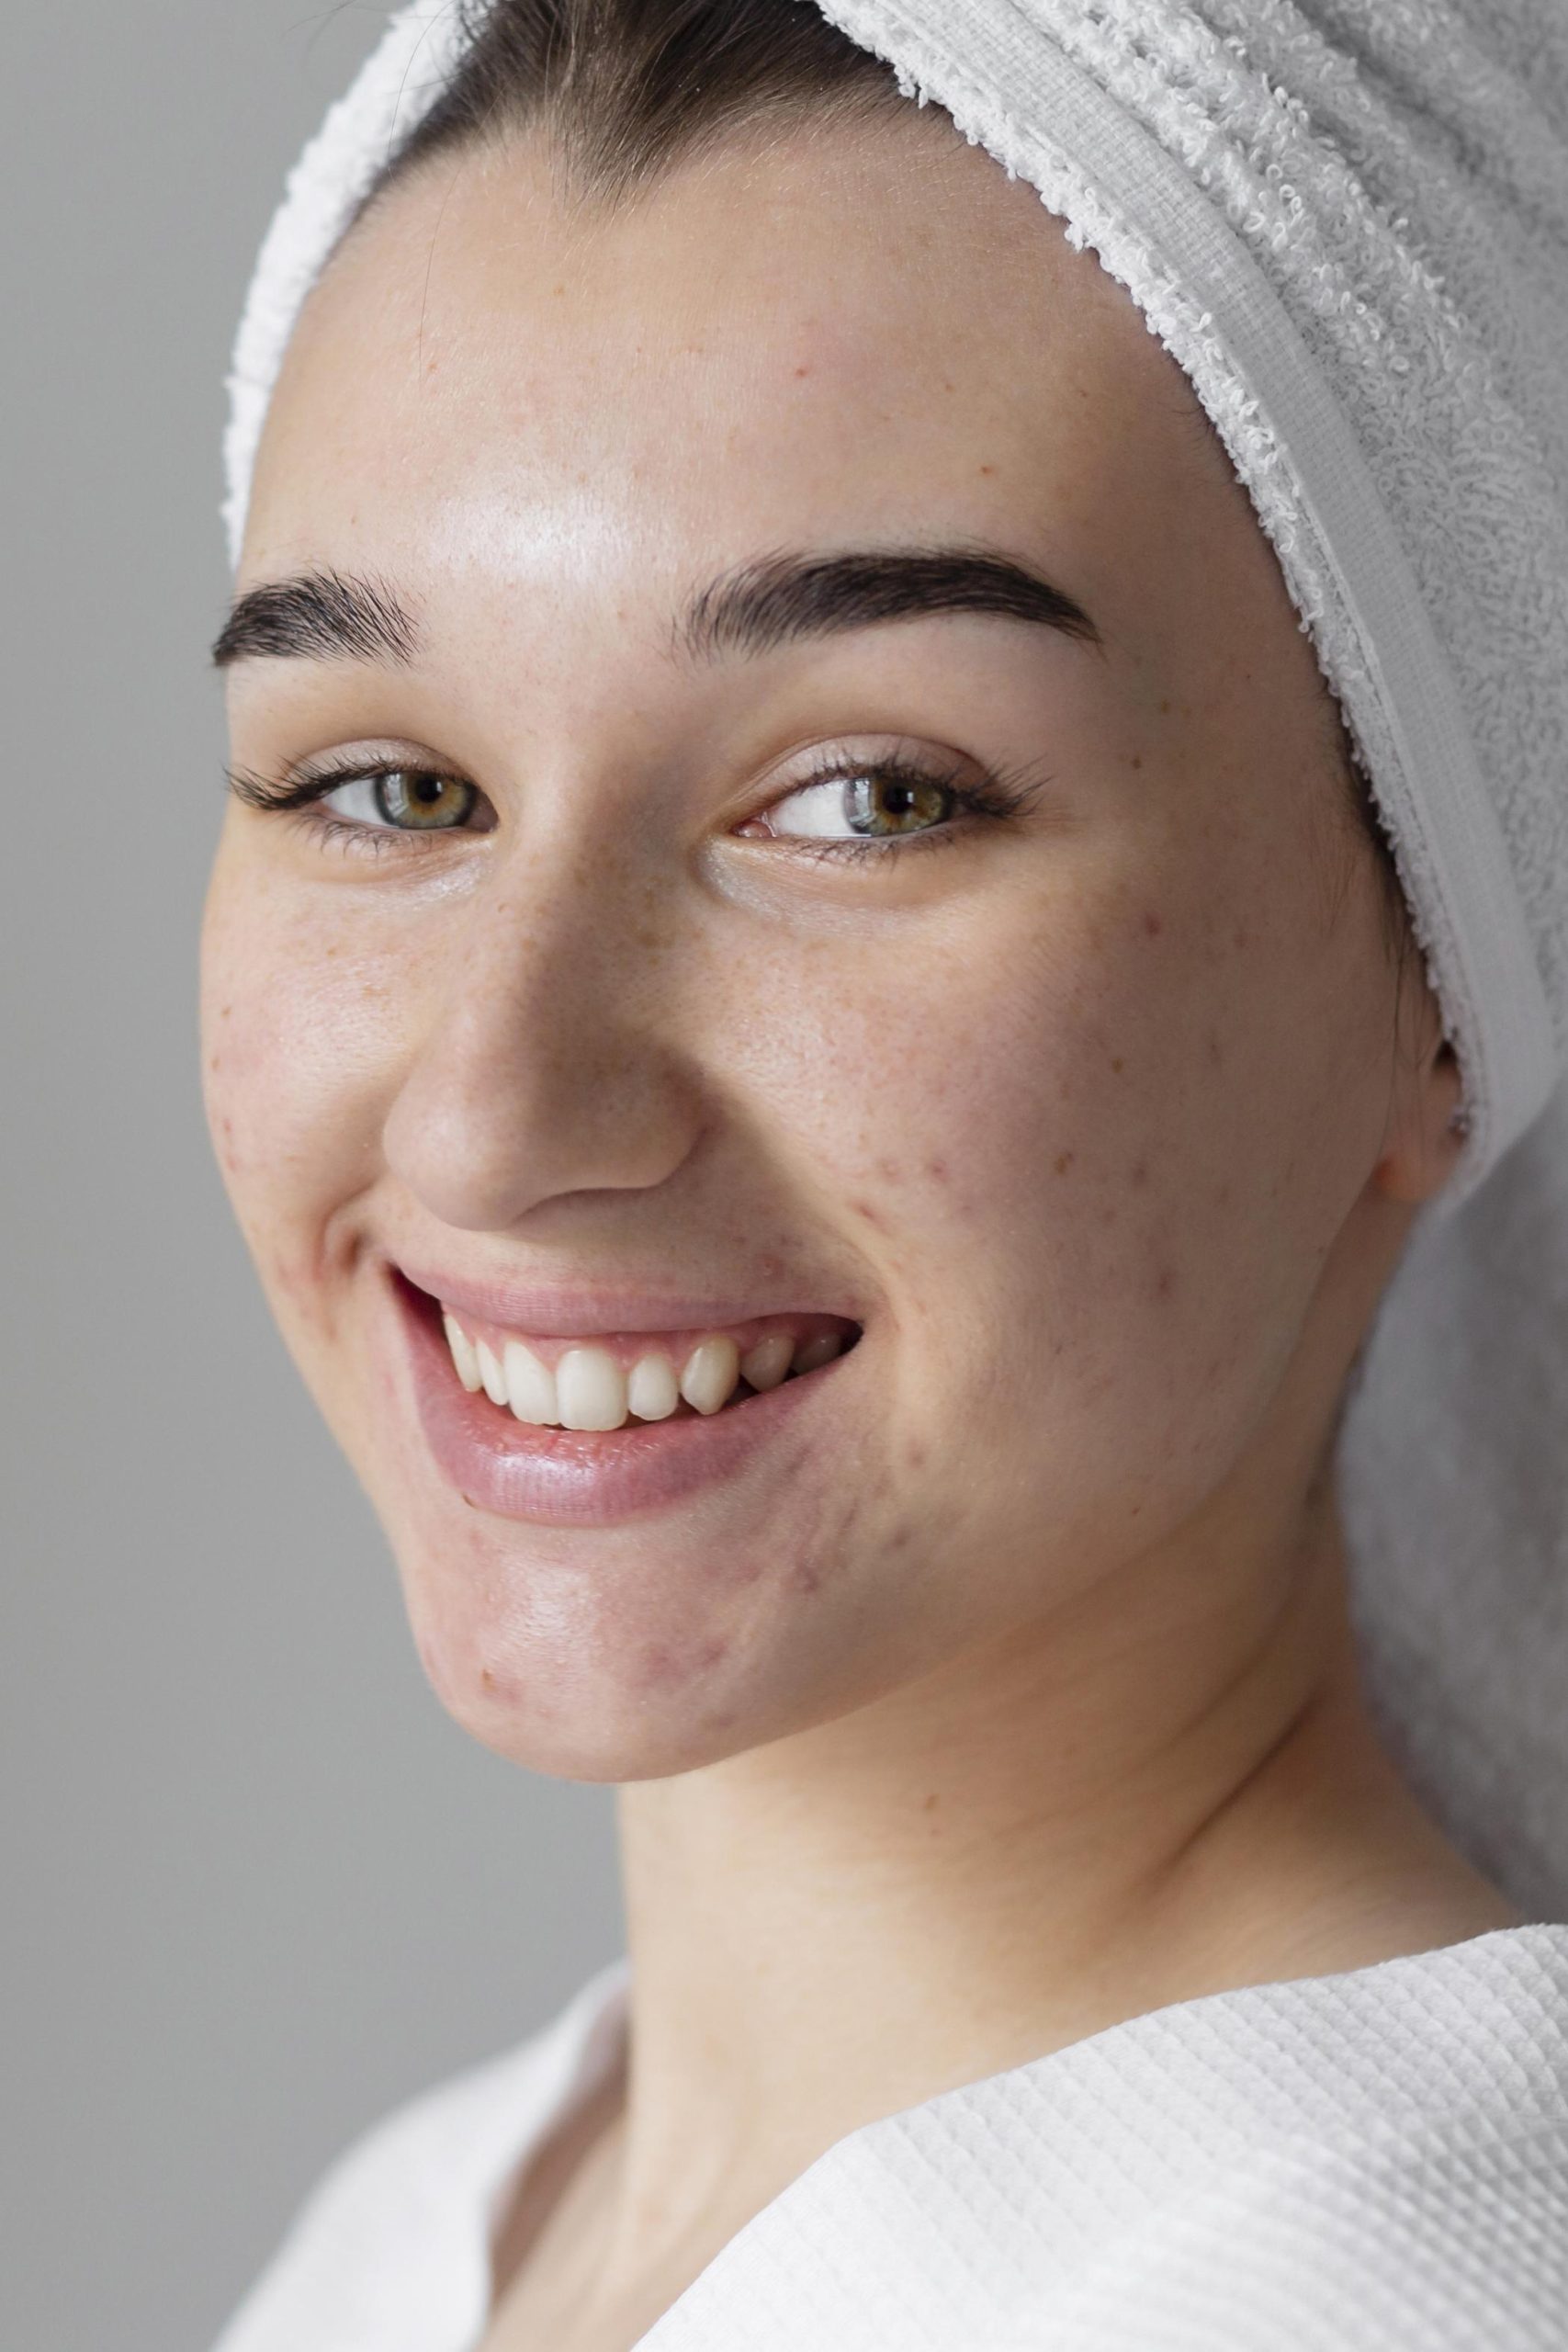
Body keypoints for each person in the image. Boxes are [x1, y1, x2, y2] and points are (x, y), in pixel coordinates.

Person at [204, 3, 1568, 2346]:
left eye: (869, 799)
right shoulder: (413, 2241)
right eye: (388, 786)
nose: (493, 1117)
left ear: (1440, 970)